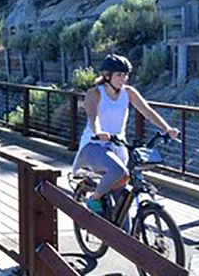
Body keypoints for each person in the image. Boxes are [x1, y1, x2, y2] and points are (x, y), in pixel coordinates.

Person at [72, 54, 179, 215]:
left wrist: (167, 129)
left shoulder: (129, 92)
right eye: (119, 75)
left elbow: (147, 112)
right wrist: (99, 132)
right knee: (119, 171)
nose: (123, 79)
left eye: (125, 75)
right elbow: (92, 117)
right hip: (94, 144)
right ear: (107, 76)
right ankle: (94, 198)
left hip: (118, 146)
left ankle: (122, 235)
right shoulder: (95, 93)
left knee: (122, 200)